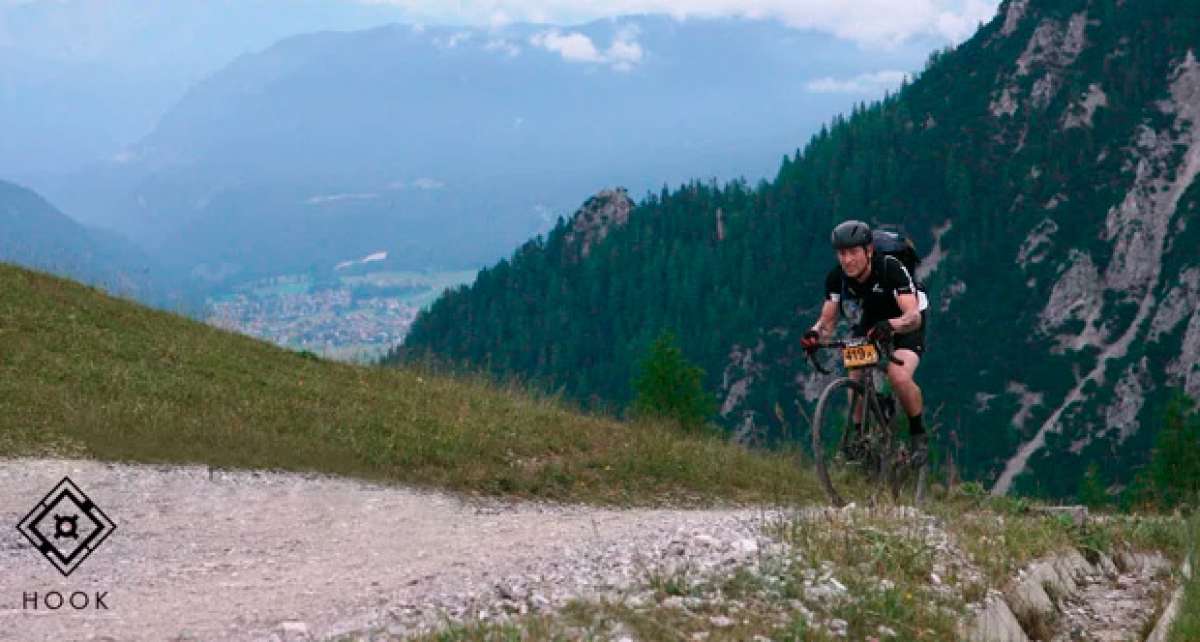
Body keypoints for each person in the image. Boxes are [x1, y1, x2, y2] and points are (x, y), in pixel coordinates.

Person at [800, 219, 929, 463]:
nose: (847, 260)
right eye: (841, 253)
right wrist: (814, 334)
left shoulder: (890, 267)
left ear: (868, 251)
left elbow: (912, 316)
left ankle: (917, 434)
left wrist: (892, 326)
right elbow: (827, 321)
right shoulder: (836, 278)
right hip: (874, 317)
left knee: (899, 376)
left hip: (907, 320)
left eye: (853, 253)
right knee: (855, 370)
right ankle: (859, 438)